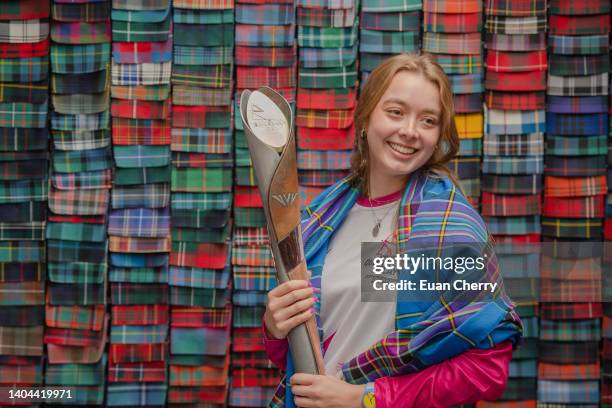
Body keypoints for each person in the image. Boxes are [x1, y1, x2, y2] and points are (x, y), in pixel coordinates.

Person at [262, 53, 523, 408]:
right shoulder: (321, 218)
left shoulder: (448, 228)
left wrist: (367, 399)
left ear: (438, 135)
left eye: (428, 120)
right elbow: (312, 353)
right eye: (396, 112)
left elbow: (486, 370)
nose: (410, 131)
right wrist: (276, 329)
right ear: (367, 116)